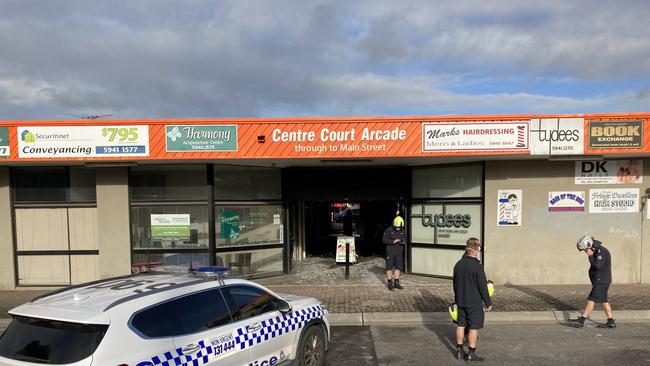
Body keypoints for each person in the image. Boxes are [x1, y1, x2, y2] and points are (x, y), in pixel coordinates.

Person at [452, 237, 492, 361]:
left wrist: (458, 298)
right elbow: (483, 287)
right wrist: (488, 303)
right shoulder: (477, 267)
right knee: (474, 327)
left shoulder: (458, 264)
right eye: (479, 248)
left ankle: (458, 350)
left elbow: (455, 284)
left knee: (461, 324)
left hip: (461, 301)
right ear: (476, 250)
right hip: (474, 303)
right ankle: (471, 353)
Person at [569, 235, 616, 329]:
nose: (586, 252)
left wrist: (590, 256)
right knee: (604, 301)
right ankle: (610, 321)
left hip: (601, 281)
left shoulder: (601, 251)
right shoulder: (597, 250)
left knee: (592, 299)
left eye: (585, 250)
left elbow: (597, 265)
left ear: (589, 245)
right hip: (601, 280)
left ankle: (581, 321)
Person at [382, 216, 405, 290]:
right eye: (397, 227)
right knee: (389, 267)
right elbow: (384, 240)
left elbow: (406, 239)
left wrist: (402, 241)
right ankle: (389, 283)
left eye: (399, 227)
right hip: (390, 252)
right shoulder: (388, 230)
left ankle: (396, 283)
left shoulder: (403, 230)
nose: (398, 228)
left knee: (398, 267)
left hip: (399, 252)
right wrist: (393, 241)